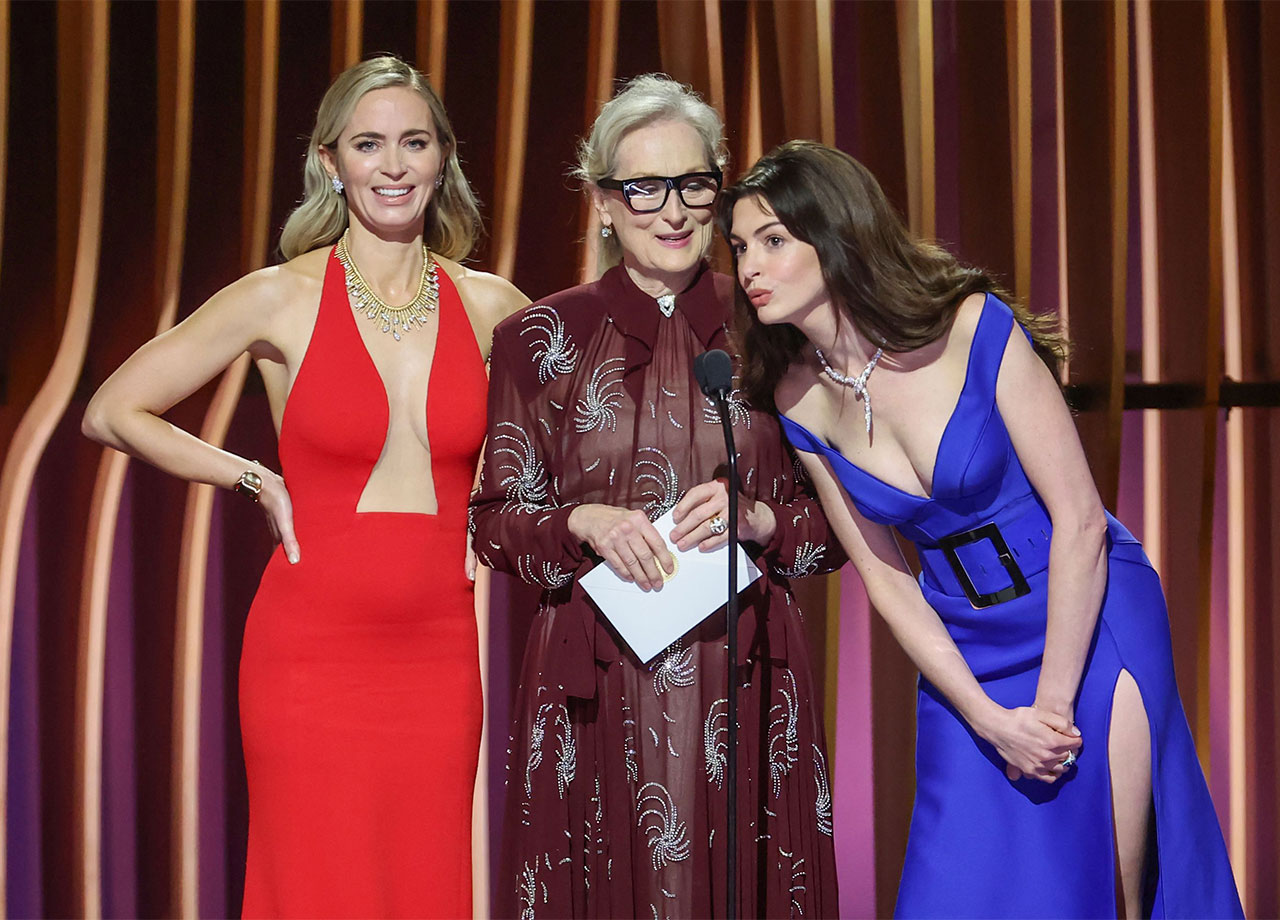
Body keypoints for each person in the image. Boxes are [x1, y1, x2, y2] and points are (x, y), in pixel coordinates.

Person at [722, 139, 1243, 918]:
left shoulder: (971, 327)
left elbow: (1079, 523)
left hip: (1090, 622)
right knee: (952, 893)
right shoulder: (796, 398)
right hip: (968, 660)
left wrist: (1051, 708)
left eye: (772, 241)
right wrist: (989, 719)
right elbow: (887, 579)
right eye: (739, 248)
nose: (749, 268)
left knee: (1105, 887)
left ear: (834, 238)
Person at [83, 56, 527, 916]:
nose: (393, 165)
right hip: (309, 654)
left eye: (413, 142)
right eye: (368, 144)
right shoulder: (279, 296)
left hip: (437, 656)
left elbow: (573, 444)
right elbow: (113, 411)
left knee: (424, 888)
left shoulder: (492, 305)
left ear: (443, 159)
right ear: (331, 161)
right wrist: (252, 477)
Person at [470, 76, 843, 918]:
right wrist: (578, 521)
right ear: (604, 202)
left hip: (747, 676)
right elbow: (493, 528)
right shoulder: (538, 338)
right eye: (644, 187)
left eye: (694, 184)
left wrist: (761, 519)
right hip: (595, 690)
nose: (672, 211)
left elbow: (843, 529)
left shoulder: (776, 327)